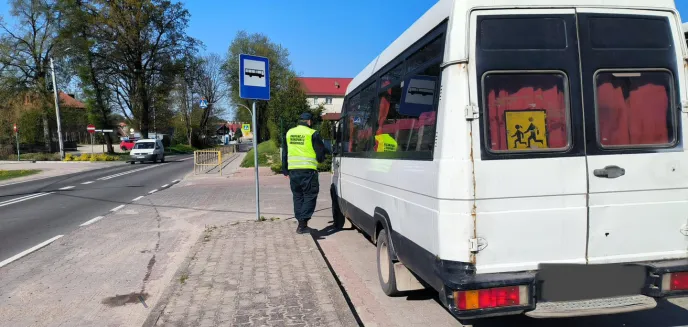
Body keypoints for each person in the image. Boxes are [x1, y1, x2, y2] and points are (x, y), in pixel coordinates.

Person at [282, 112, 327, 234]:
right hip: (308, 171)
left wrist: (285, 169)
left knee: (298, 196)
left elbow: (284, 152)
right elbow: (320, 152)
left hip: (293, 171)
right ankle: (302, 224)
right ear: (309, 121)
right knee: (310, 195)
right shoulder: (312, 133)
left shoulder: (289, 133)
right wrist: (322, 159)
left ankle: (301, 223)